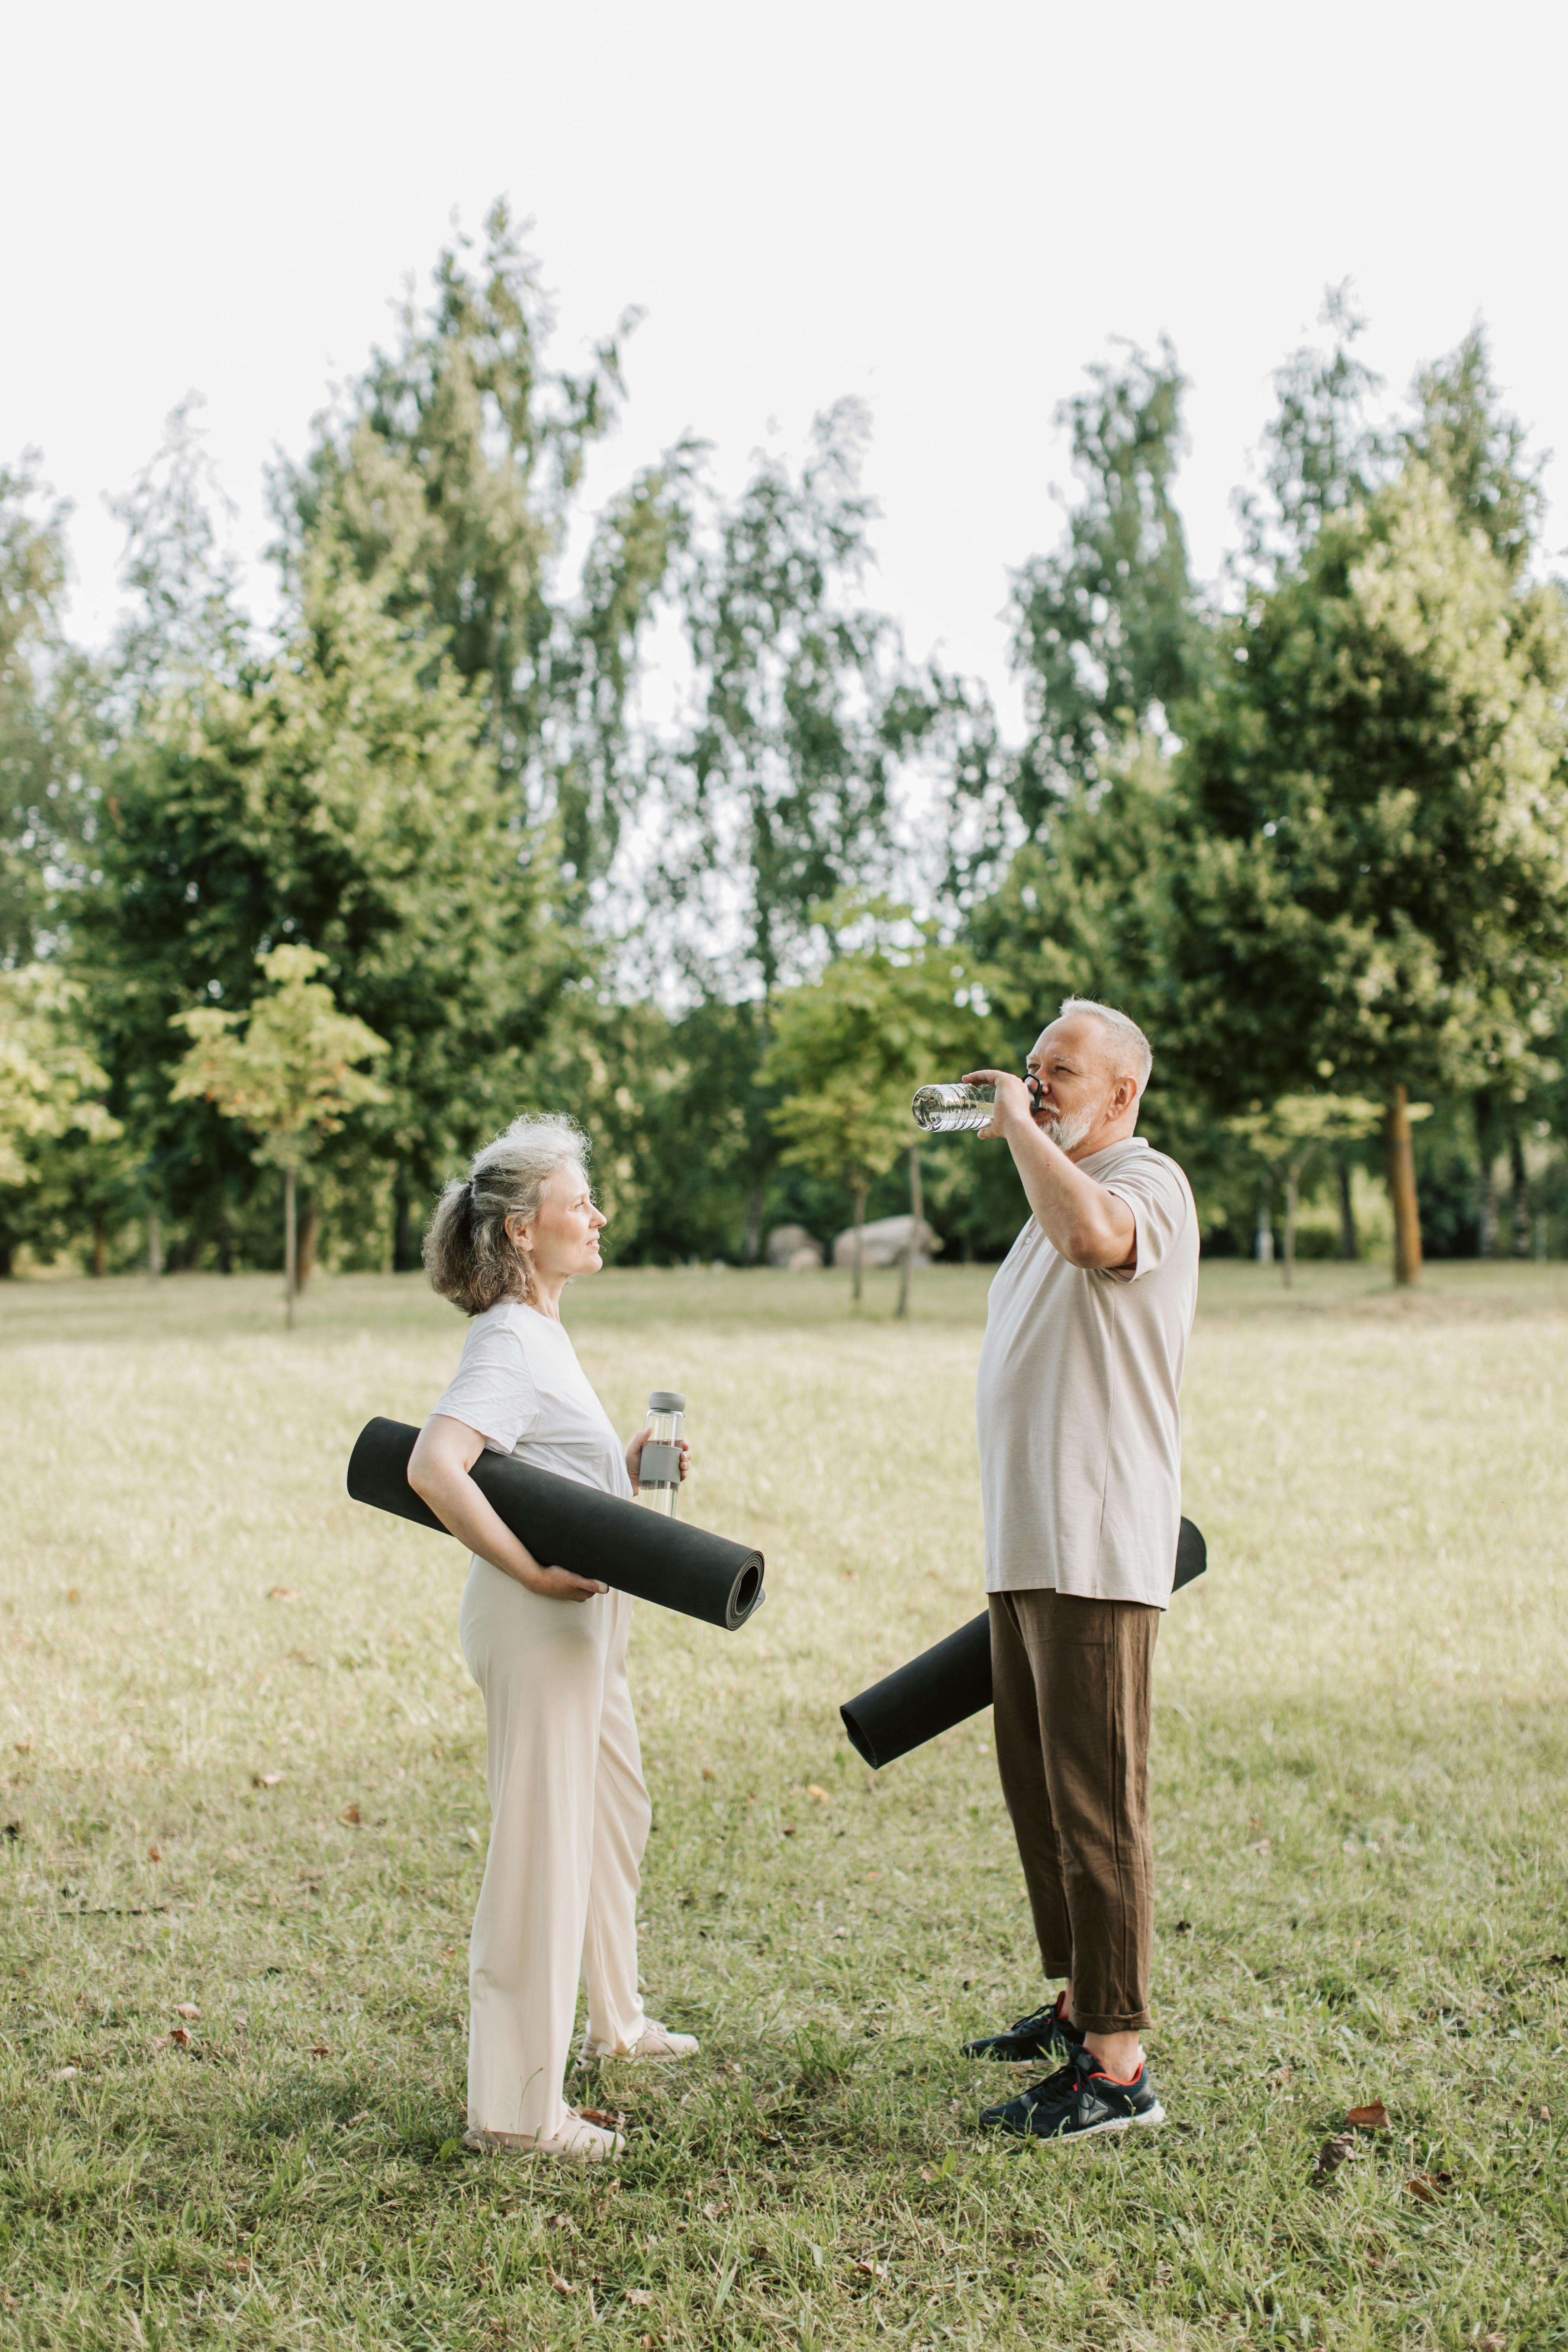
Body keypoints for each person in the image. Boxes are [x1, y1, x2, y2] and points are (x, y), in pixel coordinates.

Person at [407, 1114, 698, 2164]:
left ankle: (616, 2021)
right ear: (525, 1230)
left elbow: (538, 1469)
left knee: (612, 1810)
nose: (599, 1214)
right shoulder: (508, 1337)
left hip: (584, 1625)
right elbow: (437, 1465)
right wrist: (527, 1568)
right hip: (540, 1622)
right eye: (581, 1201)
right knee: (542, 1849)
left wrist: (619, 1471)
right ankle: (517, 2111)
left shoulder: (541, 1332)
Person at [958, 998, 1198, 2142]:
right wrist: (1028, 1135)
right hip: (1029, 1542)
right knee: (1042, 1795)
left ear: (1120, 1096)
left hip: (1097, 1546)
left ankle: (1116, 2068)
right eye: (1031, 1067)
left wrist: (1017, 1127)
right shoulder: (1053, 1183)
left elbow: (1092, 1239)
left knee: (1098, 1806)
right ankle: (1075, 2001)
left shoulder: (1145, 1182)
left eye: (1061, 1072)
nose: (1036, 1082)